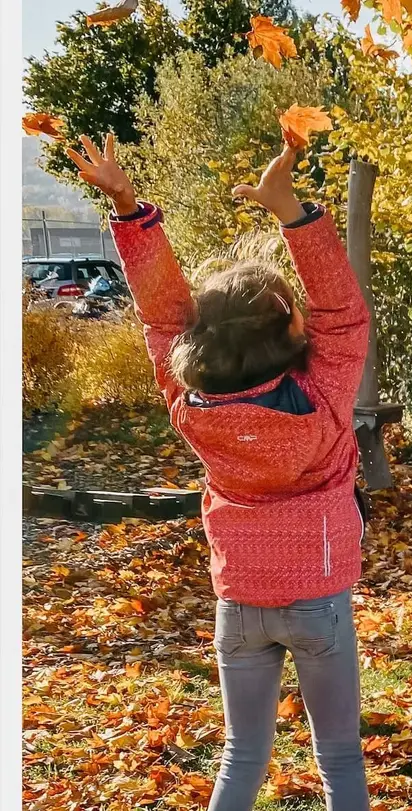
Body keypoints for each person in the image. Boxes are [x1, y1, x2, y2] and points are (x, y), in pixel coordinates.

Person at [68, 134, 372, 811]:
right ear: (290, 330)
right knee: (339, 755)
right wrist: (292, 213)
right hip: (318, 600)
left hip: (239, 603)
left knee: (241, 755)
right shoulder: (323, 399)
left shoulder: (191, 406)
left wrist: (129, 211)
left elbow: (161, 315)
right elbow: (344, 314)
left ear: (200, 342)